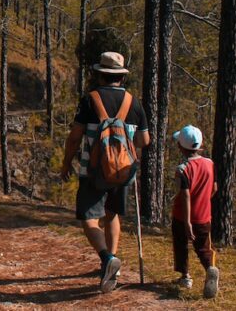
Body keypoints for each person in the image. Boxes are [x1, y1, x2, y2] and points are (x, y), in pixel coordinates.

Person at [61, 52, 150, 293]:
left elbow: (74, 137)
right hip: (122, 171)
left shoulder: (90, 100)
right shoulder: (134, 102)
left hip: (93, 170)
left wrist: (66, 162)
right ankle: (114, 262)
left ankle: (106, 259)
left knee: (89, 219)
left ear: (100, 74)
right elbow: (144, 140)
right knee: (112, 215)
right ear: (121, 76)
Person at [171, 125, 219, 298]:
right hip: (204, 216)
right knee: (204, 248)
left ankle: (185, 276)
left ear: (180, 147)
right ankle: (210, 269)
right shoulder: (210, 163)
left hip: (182, 217)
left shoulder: (182, 170)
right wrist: (205, 199)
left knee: (181, 245)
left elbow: (185, 196)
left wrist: (187, 222)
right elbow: (214, 188)